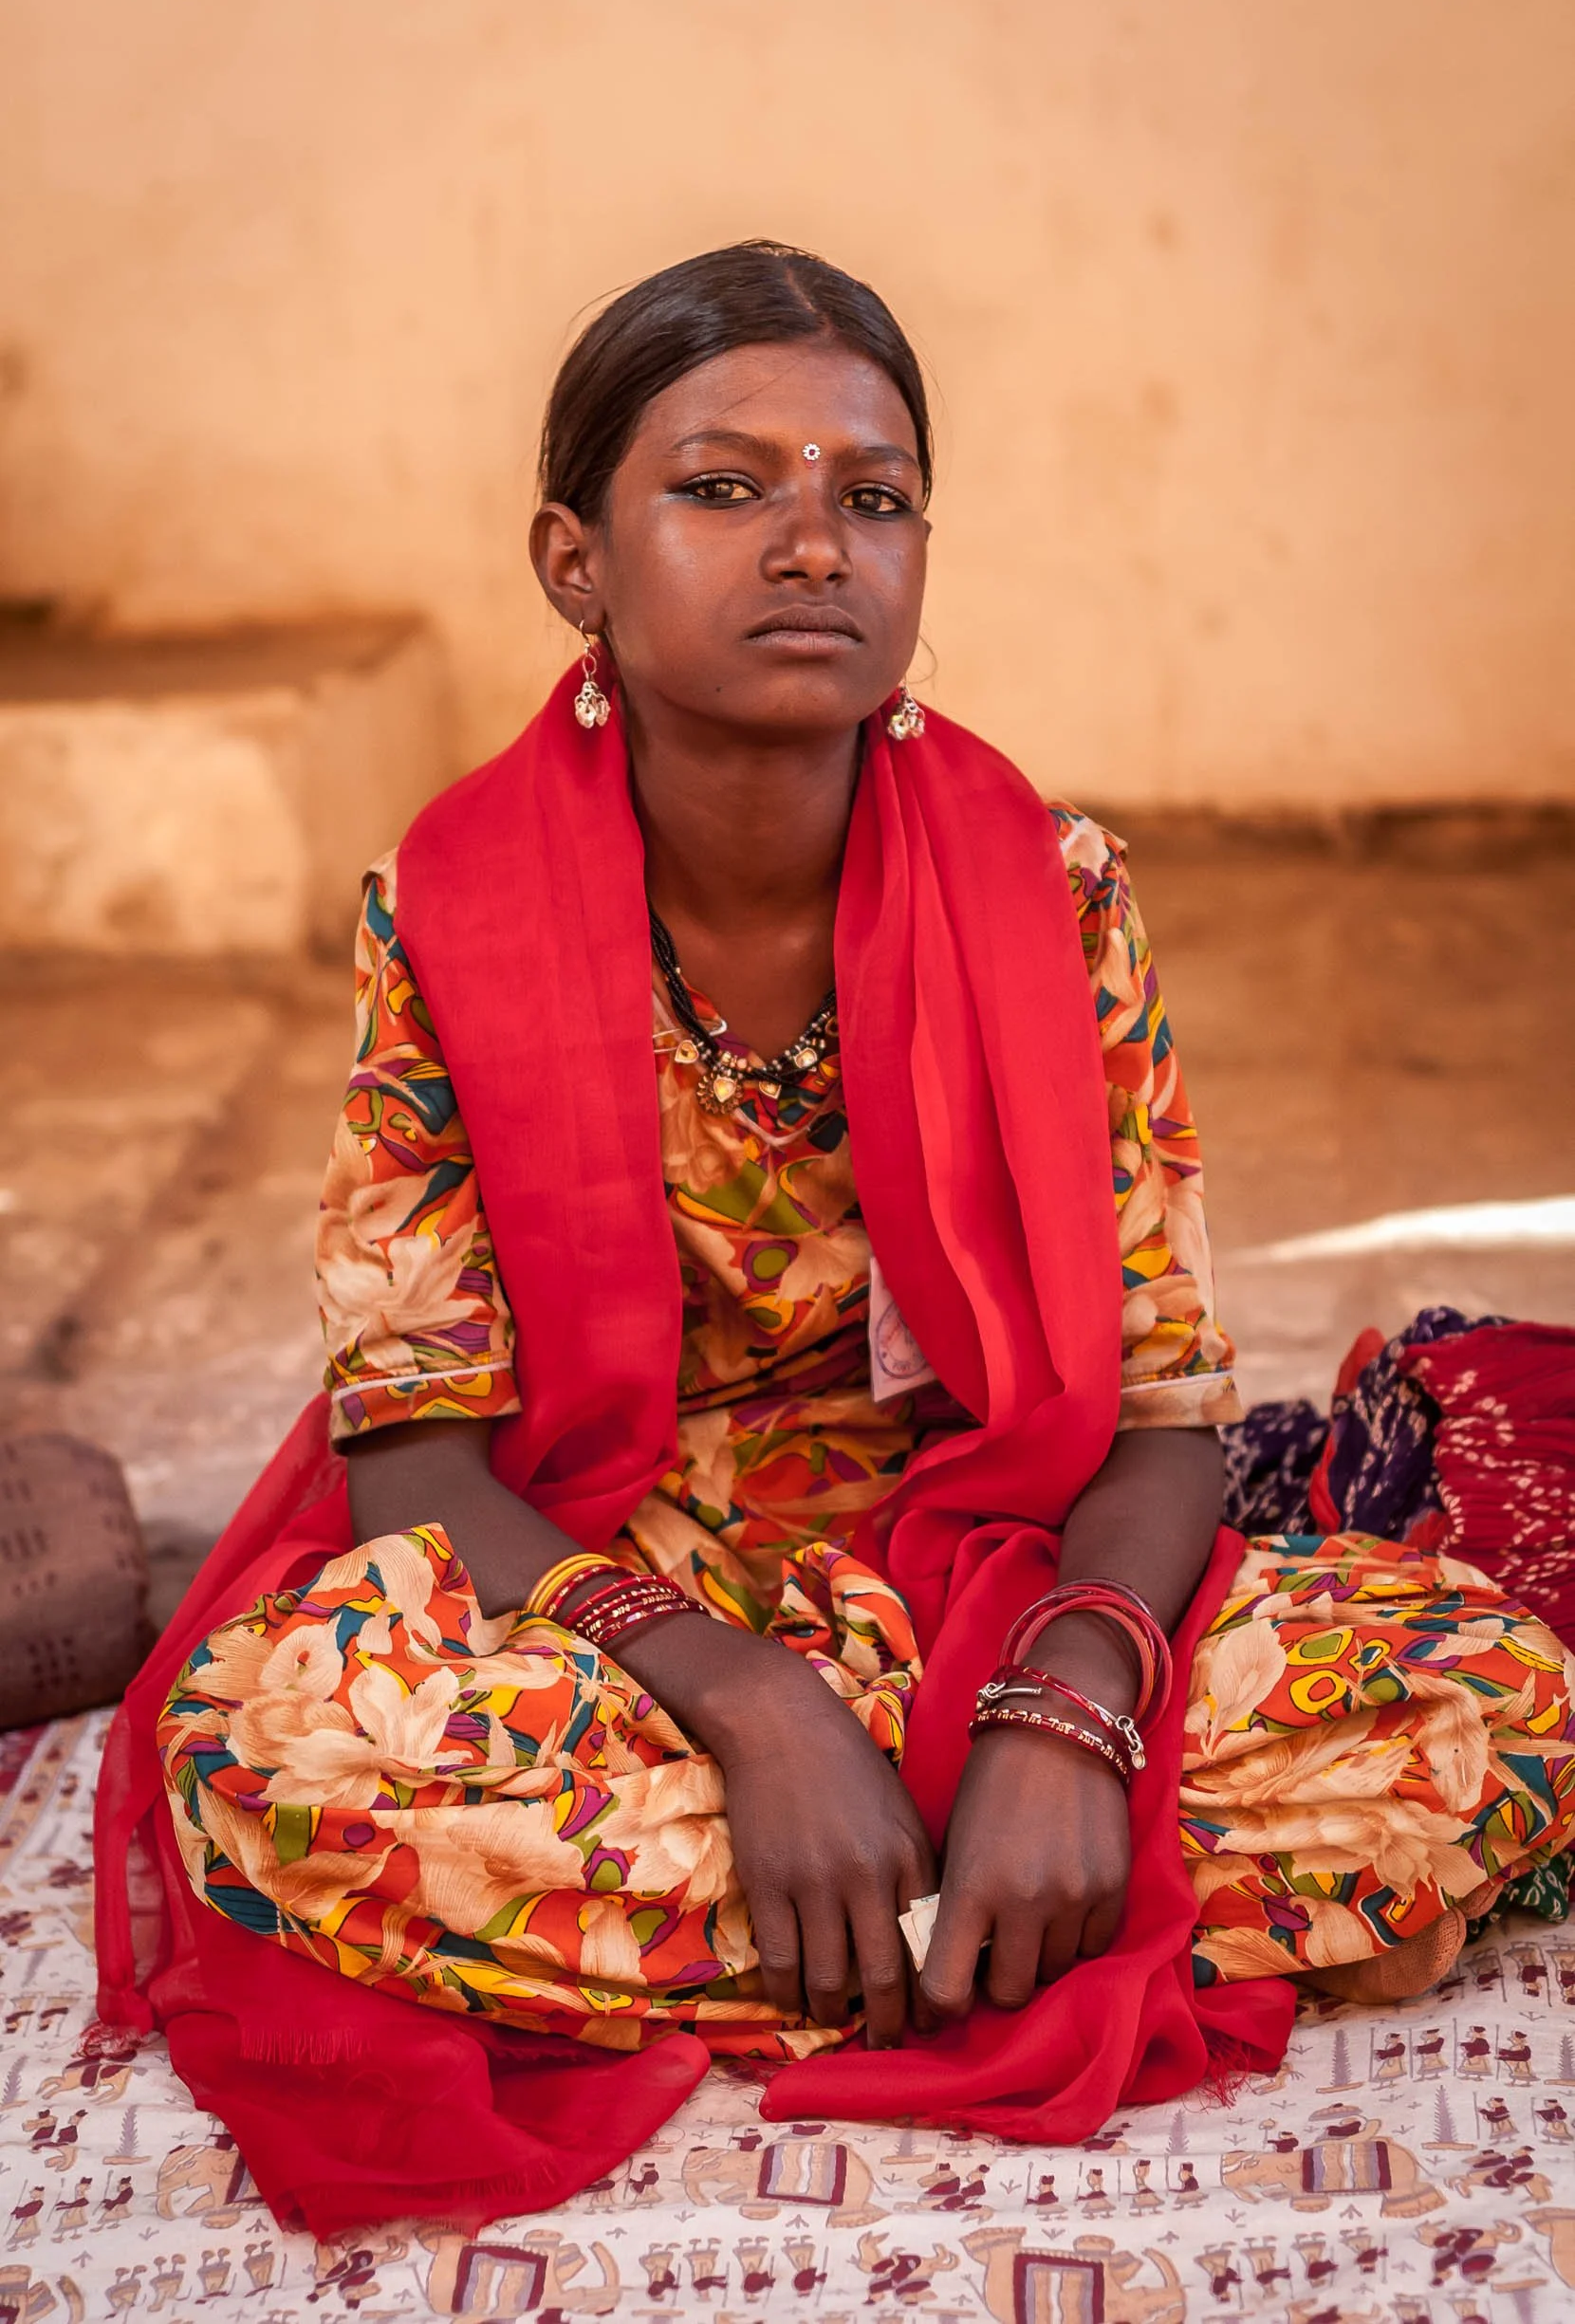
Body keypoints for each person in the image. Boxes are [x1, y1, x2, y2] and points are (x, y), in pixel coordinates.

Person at [102, 243, 1575, 2234]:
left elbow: (1156, 1407)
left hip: (983, 1539)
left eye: (870, 498)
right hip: (610, 1585)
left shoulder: (1048, 893)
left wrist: (1069, 1702)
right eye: (722, 486)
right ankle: (964, 1907)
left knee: (1478, 1695)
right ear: (572, 559)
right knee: (267, 1742)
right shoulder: (440, 906)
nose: (812, 543)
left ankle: (877, 1894)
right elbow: (417, 1454)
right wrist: (753, 1700)